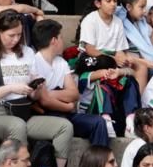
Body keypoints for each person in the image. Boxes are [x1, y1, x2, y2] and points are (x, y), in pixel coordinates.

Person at [0, 9, 72, 167]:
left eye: (19, 34)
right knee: (17, 126)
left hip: (22, 111)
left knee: (64, 127)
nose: (16, 39)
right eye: (11, 35)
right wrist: (11, 88)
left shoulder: (27, 52)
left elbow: (33, 95)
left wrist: (36, 89)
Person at [31, 18, 112, 147]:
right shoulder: (34, 63)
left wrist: (49, 94)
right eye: (61, 37)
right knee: (63, 123)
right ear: (54, 41)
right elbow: (44, 102)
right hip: (47, 117)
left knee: (98, 122)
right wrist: (67, 106)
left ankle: (99, 165)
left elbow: (74, 94)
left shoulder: (61, 63)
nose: (63, 41)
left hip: (65, 114)